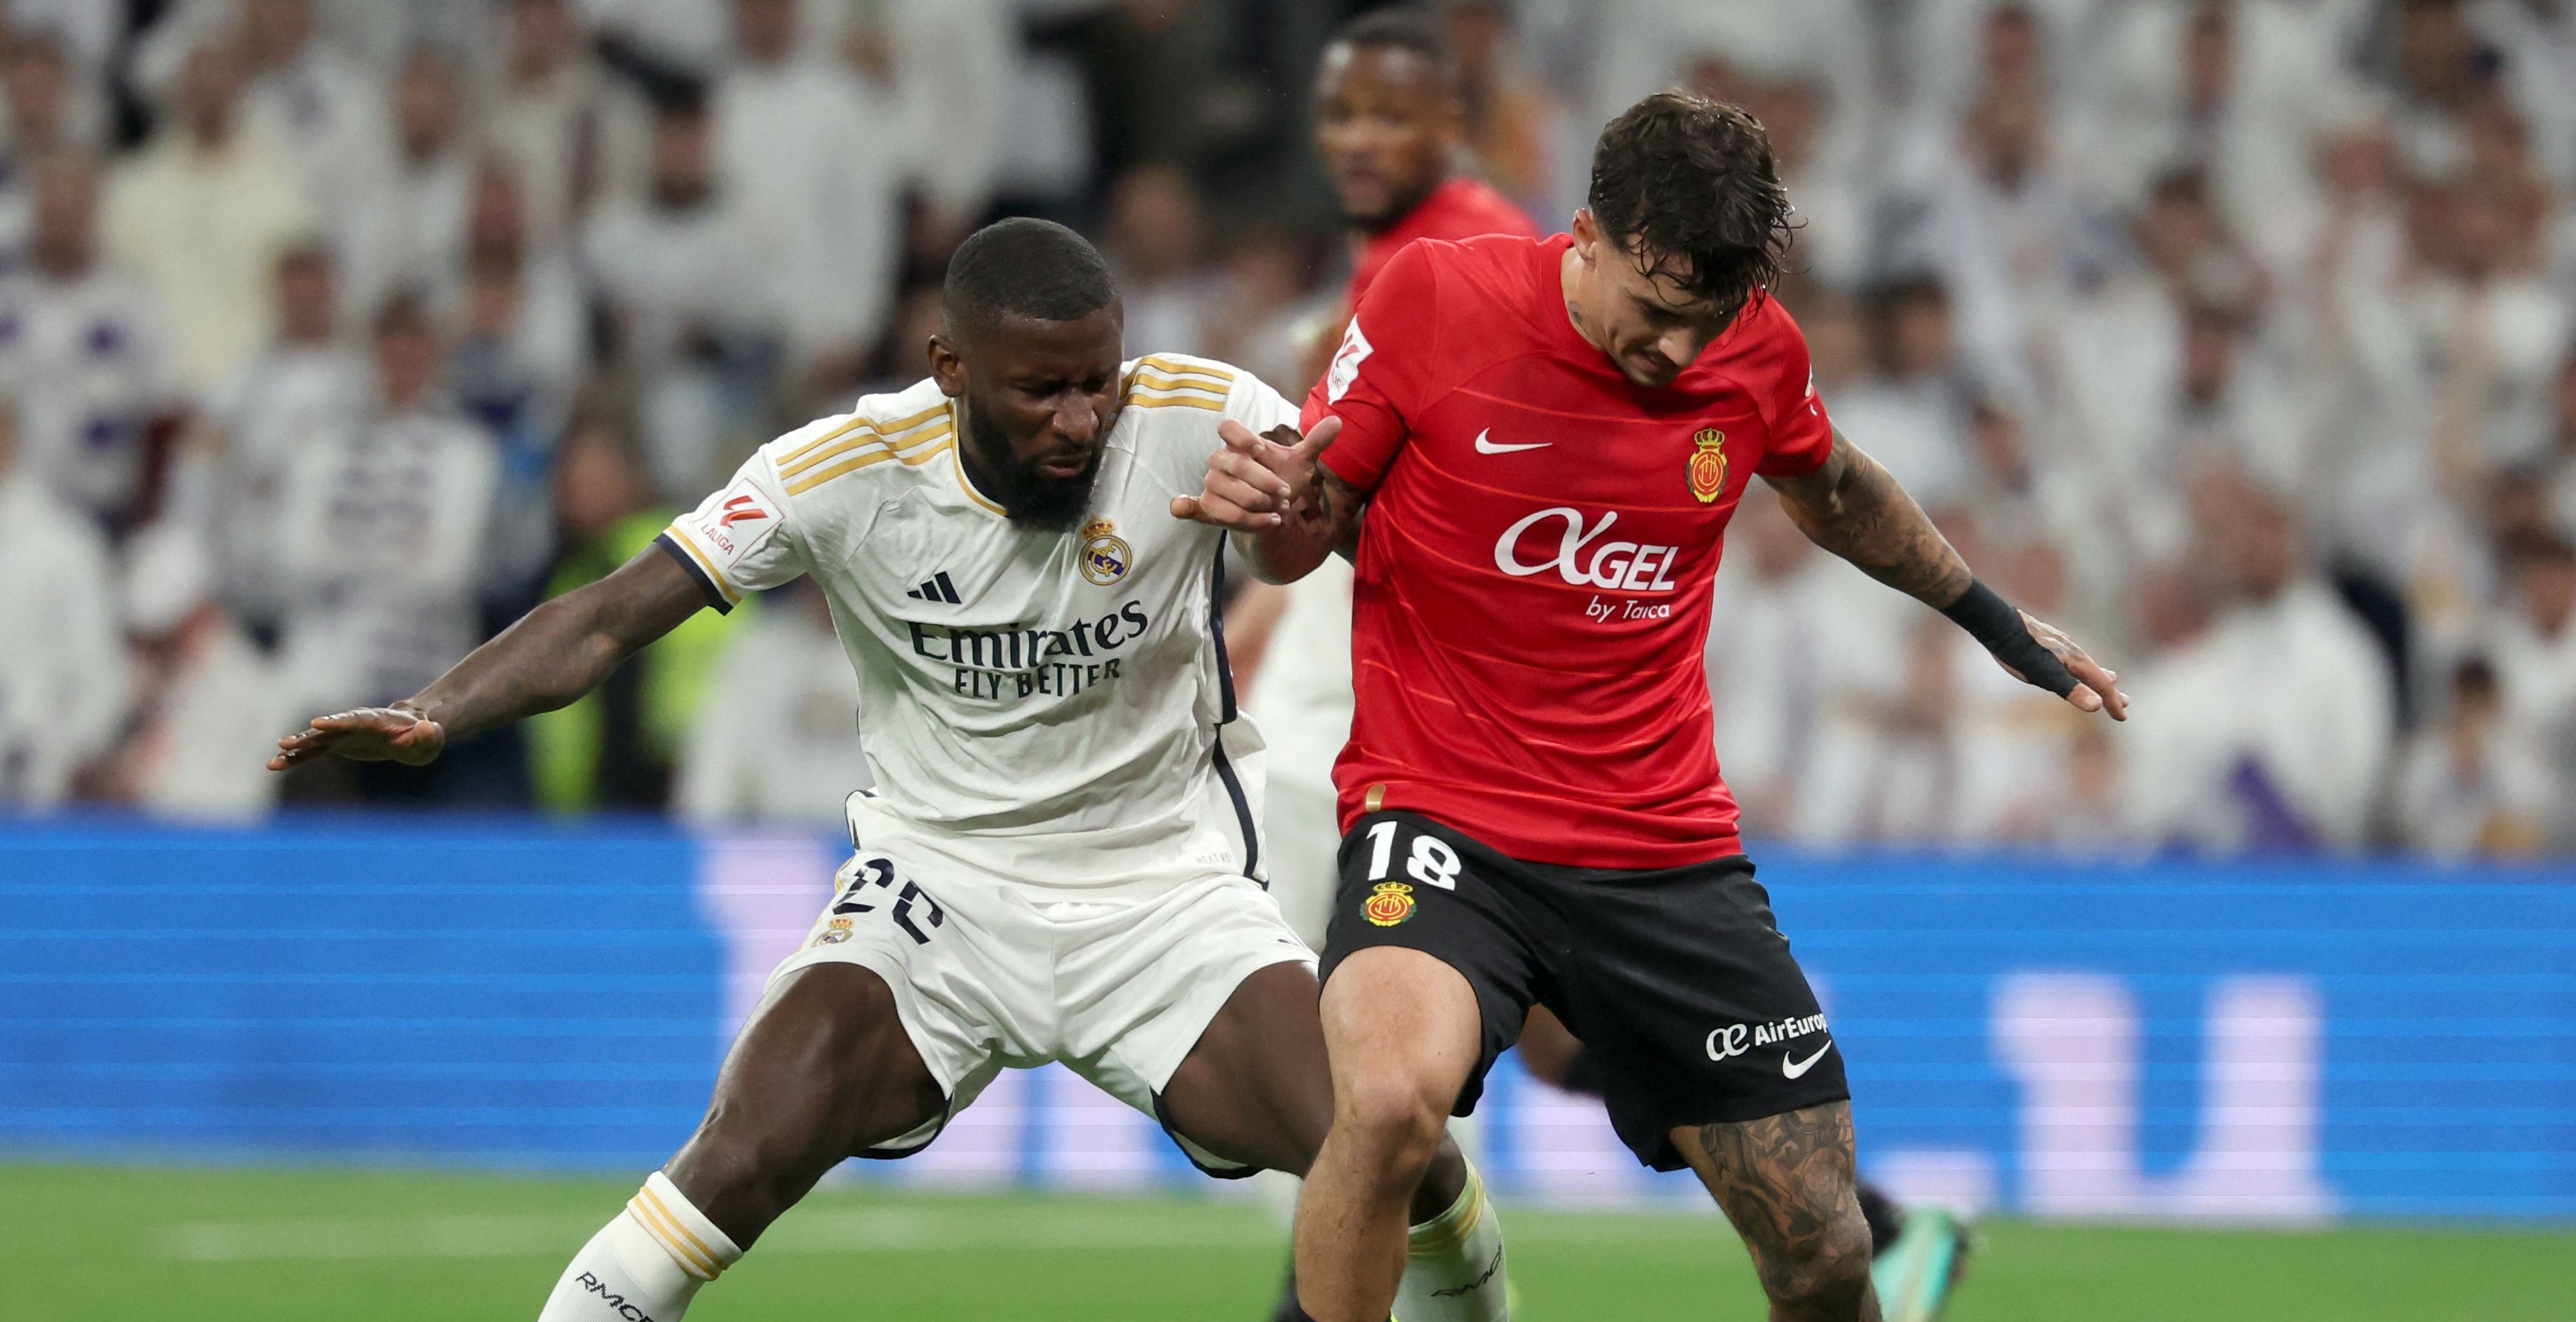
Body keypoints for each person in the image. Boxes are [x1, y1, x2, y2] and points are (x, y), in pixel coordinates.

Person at [267, 218, 1512, 1322]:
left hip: (1161, 896)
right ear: (951, 369)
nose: (1082, 419)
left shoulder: (1202, 412)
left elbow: (1329, 524)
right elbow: (609, 613)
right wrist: (437, 712)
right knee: (732, 1160)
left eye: (1098, 382)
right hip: (937, 895)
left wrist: (1297, 515)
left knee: (1396, 1145)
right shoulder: (843, 472)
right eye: (1041, 392)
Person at [1174, 93, 2126, 1322]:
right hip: (1442, 815)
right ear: (1585, 233)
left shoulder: (1756, 349)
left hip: (1661, 847)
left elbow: (1832, 489)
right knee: (1390, 1100)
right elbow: (1302, 536)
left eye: (1706, 322)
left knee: (1826, 1248)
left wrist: (1995, 622)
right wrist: (1268, 520)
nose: (1677, 352)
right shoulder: (1432, 304)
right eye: (1657, 310)